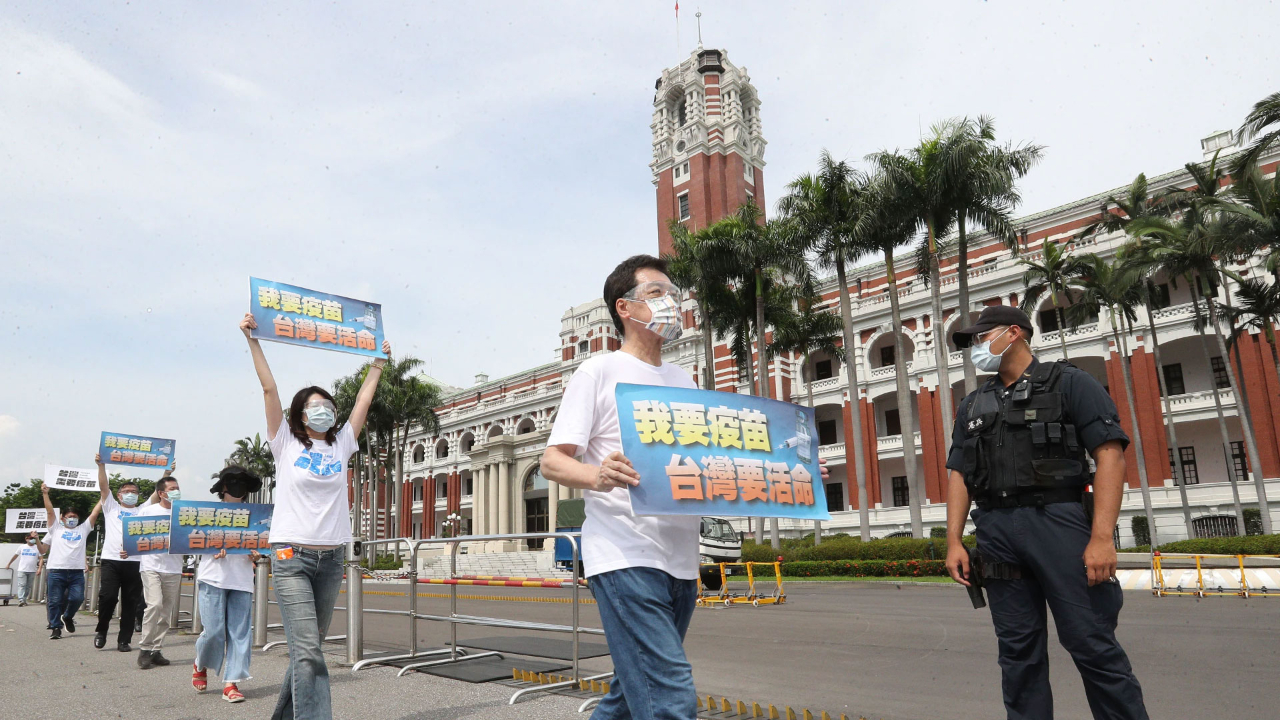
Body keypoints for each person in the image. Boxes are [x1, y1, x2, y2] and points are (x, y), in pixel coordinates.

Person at [541, 255, 828, 720]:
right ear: (625, 309)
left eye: (673, 293)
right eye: (656, 294)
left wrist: (795, 475)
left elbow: (712, 461)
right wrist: (597, 475)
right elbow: (552, 461)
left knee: (629, 692)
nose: (672, 302)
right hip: (624, 554)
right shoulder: (598, 372)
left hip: (679, 561)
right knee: (669, 697)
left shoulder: (682, 380)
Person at [943, 305, 1149, 720]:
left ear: (1014, 333)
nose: (977, 348)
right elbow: (959, 475)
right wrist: (953, 541)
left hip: (1058, 520)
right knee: (1017, 653)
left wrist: (1102, 537)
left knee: (1091, 643)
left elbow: (1110, 456)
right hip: (996, 530)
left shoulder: (1071, 383)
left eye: (983, 337)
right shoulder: (973, 404)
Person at [240, 312, 388, 720]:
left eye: (327, 405)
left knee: (309, 653)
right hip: (291, 556)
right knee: (307, 653)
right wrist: (253, 339)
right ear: (301, 415)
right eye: (314, 405)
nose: (323, 409)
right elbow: (269, 388)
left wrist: (377, 364)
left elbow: (363, 401)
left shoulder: (342, 445)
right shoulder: (285, 443)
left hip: (331, 559)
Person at [192, 466, 264, 704]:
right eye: (233, 482)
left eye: (242, 482)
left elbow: (263, 545)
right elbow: (192, 541)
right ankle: (200, 662)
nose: (238, 487)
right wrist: (211, 549)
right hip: (213, 577)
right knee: (213, 632)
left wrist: (257, 555)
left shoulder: (256, 515)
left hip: (242, 579)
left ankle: (231, 682)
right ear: (223, 487)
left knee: (240, 634)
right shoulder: (207, 513)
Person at [93, 454, 170, 652]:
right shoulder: (111, 507)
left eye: (134, 492)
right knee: (108, 597)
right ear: (119, 495)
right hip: (111, 560)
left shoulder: (143, 509)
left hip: (135, 562)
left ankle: (124, 640)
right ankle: (101, 630)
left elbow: (156, 493)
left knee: (131, 602)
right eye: (126, 491)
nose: (130, 494)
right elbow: (103, 487)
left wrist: (167, 473)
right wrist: (101, 466)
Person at [129, 476, 185, 669]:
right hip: (151, 566)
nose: (176, 491)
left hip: (174, 567)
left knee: (166, 612)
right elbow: (134, 535)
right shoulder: (148, 511)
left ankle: (156, 650)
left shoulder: (184, 512)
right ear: (161, 493)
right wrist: (127, 548)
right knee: (154, 605)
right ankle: (145, 648)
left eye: (178, 488)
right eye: (172, 489)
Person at [39, 484, 100, 639]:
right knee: (54, 601)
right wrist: (45, 494)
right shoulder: (56, 529)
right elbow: (50, 511)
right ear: (63, 518)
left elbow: (95, 512)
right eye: (69, 516)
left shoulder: (83, 529)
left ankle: (67, 617)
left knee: (77, 598)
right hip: (56, 571)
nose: (72, 519)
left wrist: (104, 496)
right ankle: (55, 628)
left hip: (76, 572)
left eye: (75, 517)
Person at [6, 530, 44, 606]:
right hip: (22, 569)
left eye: (33, 538)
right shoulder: (22, 547)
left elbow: (41, 558)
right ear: (26, 539)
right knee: (22, 584)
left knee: (28, 586)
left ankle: (24, 599)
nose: (32, 540)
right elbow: (15, 556)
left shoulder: (37, 547)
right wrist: (9, 564)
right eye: (30, 538)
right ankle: (21, 600)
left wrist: (39, 568)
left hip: (32, 570)